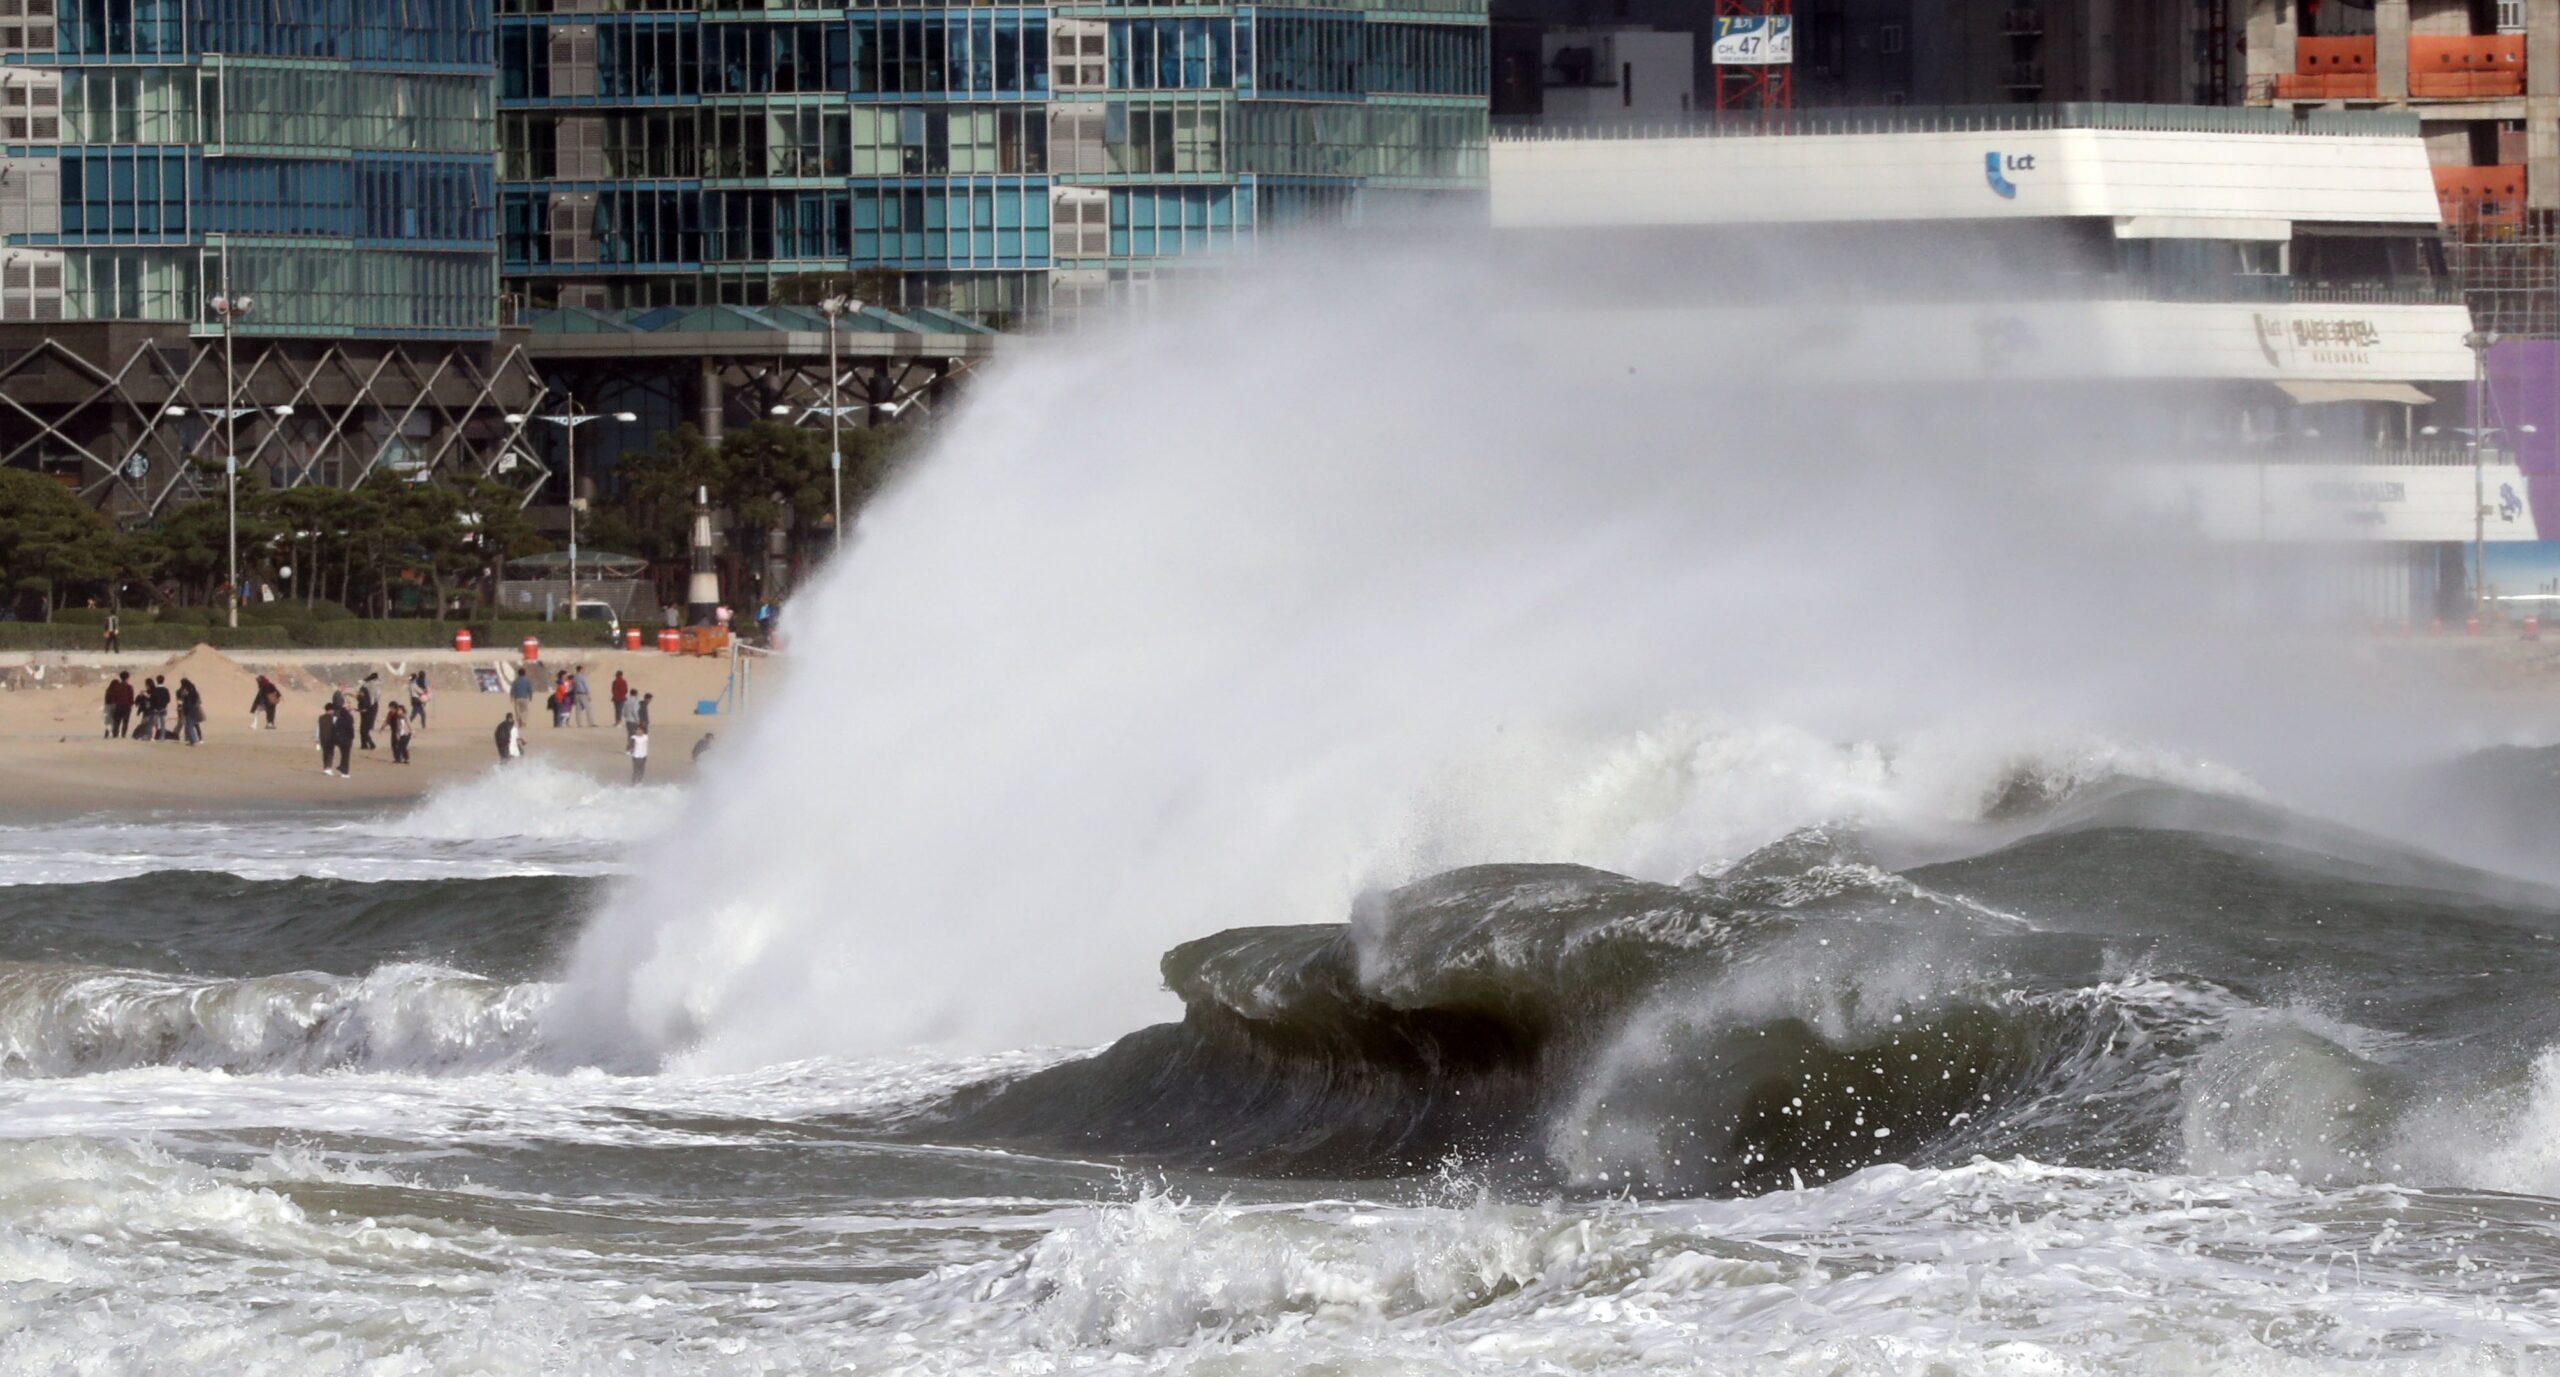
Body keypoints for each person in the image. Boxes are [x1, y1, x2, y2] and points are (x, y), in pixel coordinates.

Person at [325, 698, 355, 776]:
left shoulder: (339, 716)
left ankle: (342, 768)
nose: (350, 706)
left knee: (344, 755)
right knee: (345, 755)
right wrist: (352, 737)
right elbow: (350, 729)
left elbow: (335, 727)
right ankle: (344, 772)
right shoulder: (348, 716)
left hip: (339, 738)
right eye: (348, 705)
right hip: (345, 739)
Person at [103, 671, 133, 739]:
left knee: (117, 721)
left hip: (118, 706)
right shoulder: (129, 687)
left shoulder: (117, 687)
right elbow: (131, 698)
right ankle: (123, 735)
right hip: (126, 706)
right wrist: (130, 704)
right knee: (125, 721)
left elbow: (114, 697)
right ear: (127, 678)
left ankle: (115, 735)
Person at [175, 677, 204, 747]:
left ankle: (193, 740)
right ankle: (195, 739)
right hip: (195, 710)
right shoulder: (194, 691)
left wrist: (181, 706)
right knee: (193, 725)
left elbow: (181, 701)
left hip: (189, 709)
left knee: (189, 726)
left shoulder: (184, 691)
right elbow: (199, 701)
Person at [356, 673, 381, 751]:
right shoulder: (377, 685)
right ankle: (368, 743)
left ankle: (365, 744)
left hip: (364, 706)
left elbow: (359, 695)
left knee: (363, 726)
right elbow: (377, 697)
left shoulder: (364, 684)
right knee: (366, 727)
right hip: (372, 706)